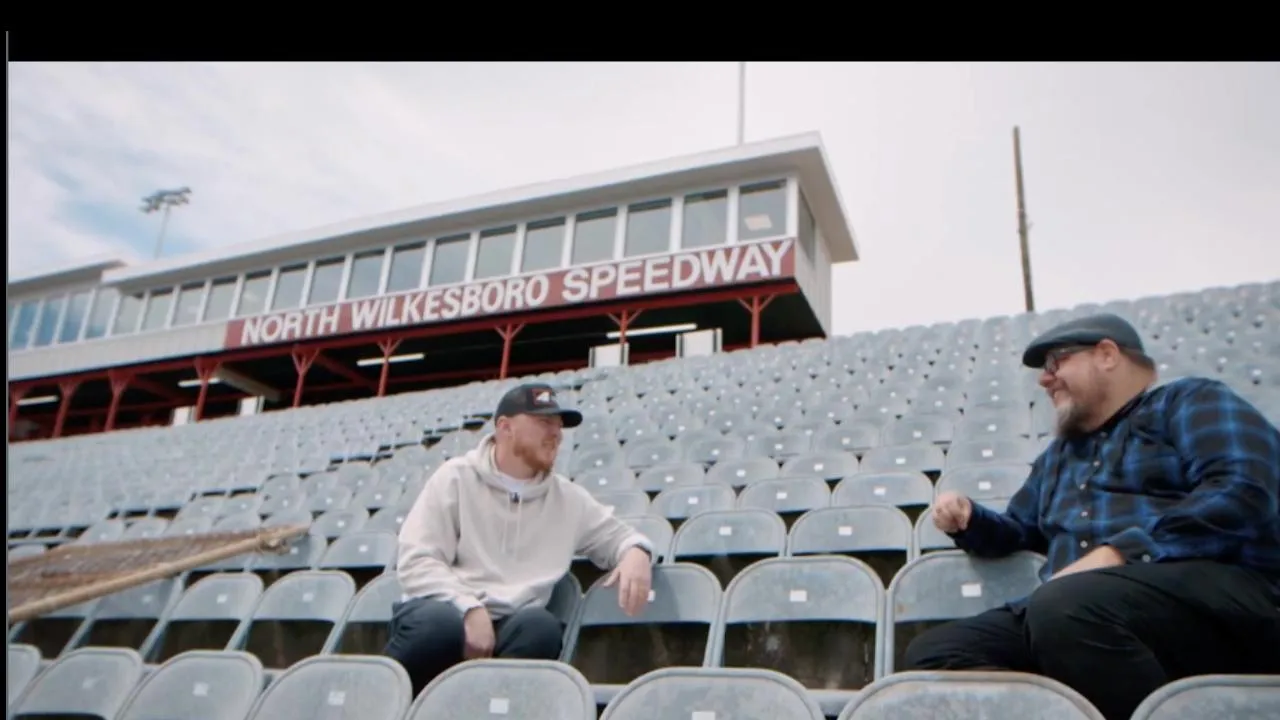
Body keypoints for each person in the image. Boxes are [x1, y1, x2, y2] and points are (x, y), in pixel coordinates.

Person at [903, 313, 1280, 720]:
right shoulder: (1057, 457)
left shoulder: (1188, 401)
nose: (1044, 379)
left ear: (1106, 355)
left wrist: (1121, 553)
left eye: (1056, 362)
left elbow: (1246, 489)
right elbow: (1019, 531)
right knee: (935, 653)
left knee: (1064, 605)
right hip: (1074, 614)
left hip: (1213, 599)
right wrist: (970, 519)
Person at [385, 382, 655, 694]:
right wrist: (469, 609)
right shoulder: (455, 477)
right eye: (544, 422)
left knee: (540, 628)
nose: (556, 434)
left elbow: (621, 538)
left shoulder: (568, 498)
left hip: (510, 623)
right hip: (443, 610)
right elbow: (417, 560)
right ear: (505, 428)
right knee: (439, 627)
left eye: (558, 425)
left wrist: (636, 553)